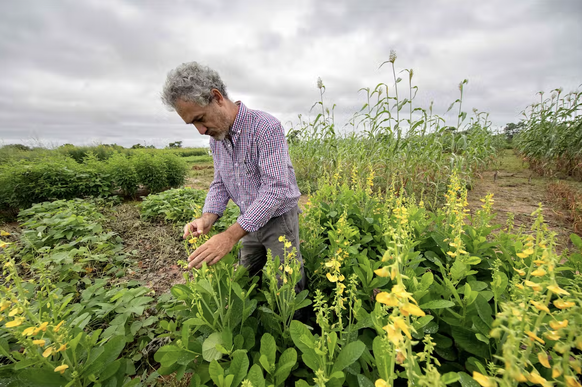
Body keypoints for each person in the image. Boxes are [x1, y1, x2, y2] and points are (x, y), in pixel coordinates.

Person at [161, 62, 305, 291]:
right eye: (192, 124)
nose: (200, 130)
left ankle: (295, 323)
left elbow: (276, 188)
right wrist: (207, 218)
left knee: (286, 282)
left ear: (217, 98)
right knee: (245, 278)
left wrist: (229, 236)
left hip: (278, 219)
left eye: (200, 118)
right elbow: (221, 182)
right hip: (247, 220)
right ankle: (252, 322)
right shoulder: (217, 139)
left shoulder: (265, 127)